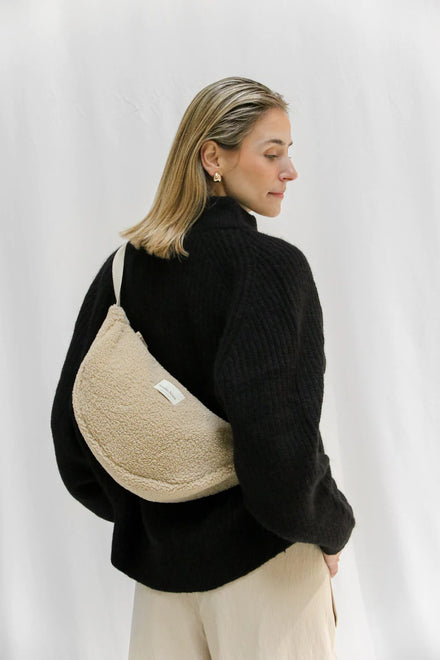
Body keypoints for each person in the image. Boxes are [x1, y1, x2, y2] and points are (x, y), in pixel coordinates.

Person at [51, 76, 355, 659]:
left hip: (159, 584)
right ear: (213, 157)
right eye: (273, 153)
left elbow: (74, 436)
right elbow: (280, 457)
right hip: (267, 570)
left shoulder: (123, 270)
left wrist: (155, 512)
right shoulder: (270, 268)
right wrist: (332, 524)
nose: (290, 170)